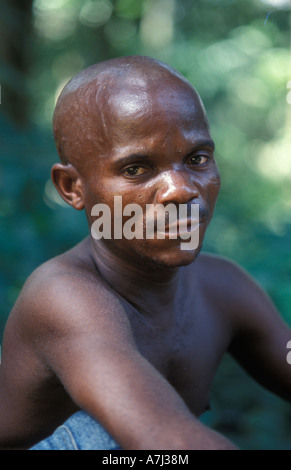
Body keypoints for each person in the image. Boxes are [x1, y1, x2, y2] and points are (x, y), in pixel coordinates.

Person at [0, 56, 290, 451]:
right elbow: (166, 442)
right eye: (137, 169)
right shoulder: (64, 297)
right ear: (72, 187)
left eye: (197, 159)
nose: (181, 190)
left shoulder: (223, 286)